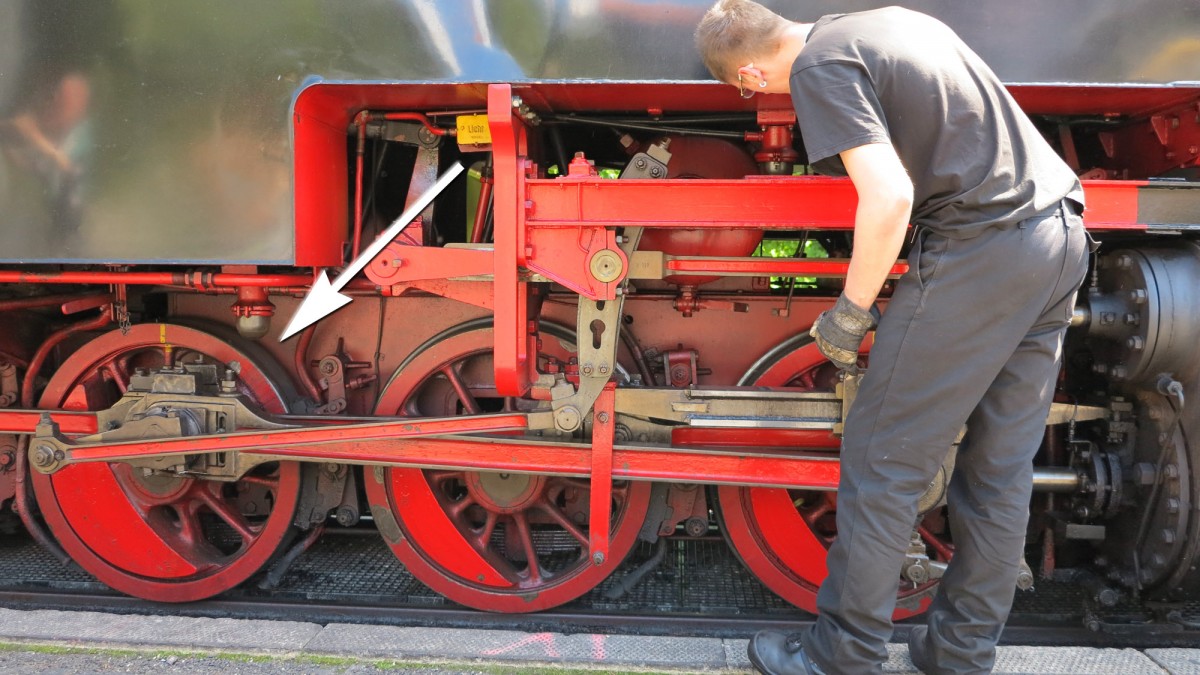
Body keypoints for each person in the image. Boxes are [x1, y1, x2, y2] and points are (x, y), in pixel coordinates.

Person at [695, 2, 1089, 674]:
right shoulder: (887, 22)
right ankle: (959, 653)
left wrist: (849, 311)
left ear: (753, 73)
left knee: (882, 460)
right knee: (997, 470)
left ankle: (841, 655)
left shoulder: (820, 66)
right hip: (1061, 234)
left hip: (982, 247)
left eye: (747, 88)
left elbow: (889, 197)